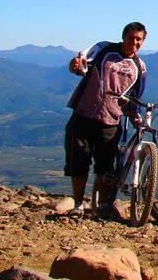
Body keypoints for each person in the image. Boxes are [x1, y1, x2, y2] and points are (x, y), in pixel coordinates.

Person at [64, 22, 148, 217]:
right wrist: (74, 65)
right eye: (131, 37)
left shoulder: (139, 67)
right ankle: (77, 204)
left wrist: (135, 116)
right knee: (78, 161)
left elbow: (134, 98)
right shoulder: (104, 49)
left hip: (110, 120)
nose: (134, 42)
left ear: (143, 42)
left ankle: (102, 206)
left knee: (105, 165)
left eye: (139, 39)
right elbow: (79, 66)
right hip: (84, 113)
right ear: (123, 36)